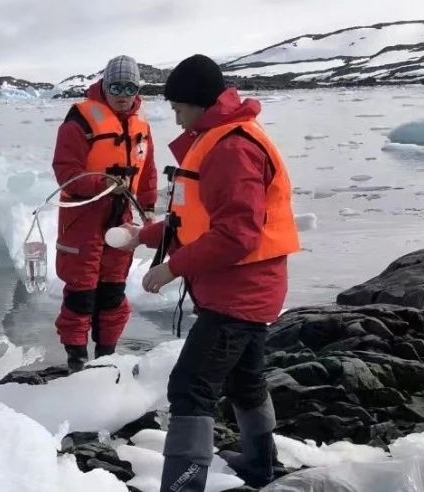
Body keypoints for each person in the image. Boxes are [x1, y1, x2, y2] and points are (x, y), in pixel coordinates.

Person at [118, 54, 301, 490]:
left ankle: (183, 485)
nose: (176, 118)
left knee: (190, 388)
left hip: (240, 293)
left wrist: (170, 268)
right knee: (244, 379)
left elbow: (237, 234)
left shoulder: (231, 148)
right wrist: (142, 235)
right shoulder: (217, 139)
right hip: (247, 289)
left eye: (178, 107)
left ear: (198, 102)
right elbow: (195, 219)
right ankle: (261, 466)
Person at [50, 54, 158, 372]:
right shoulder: (80, 120)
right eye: (116, 86)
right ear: (104, 85)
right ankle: (76, 360)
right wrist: (104, 183)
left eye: (129, 87)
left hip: (121, 217)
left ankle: (107, 357)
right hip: (83, 218)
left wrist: (148, 209)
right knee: (81, 292)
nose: (122, 94)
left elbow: (148, 172)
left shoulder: (141, 127)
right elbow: (65, 171)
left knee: (113, 291)